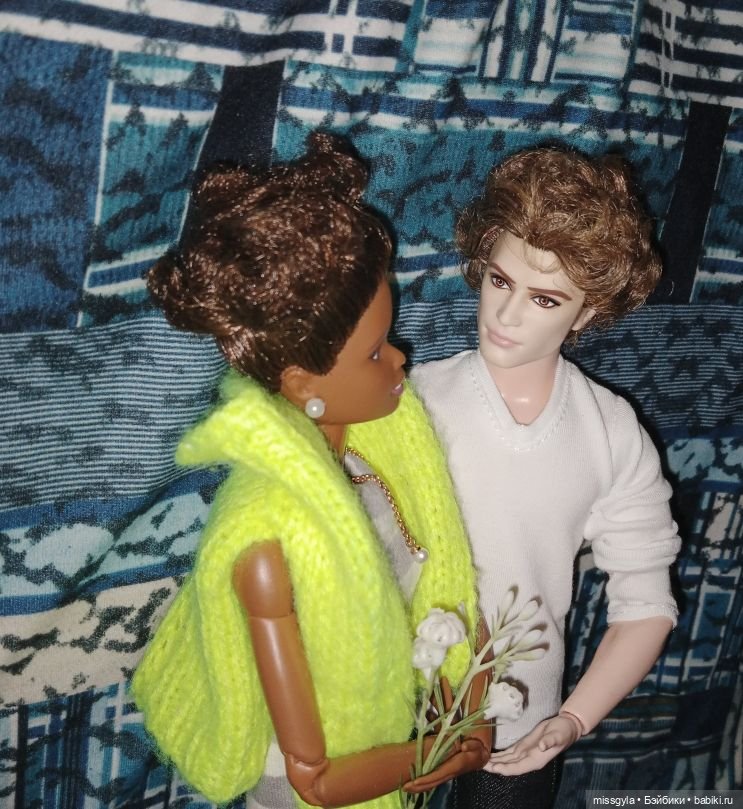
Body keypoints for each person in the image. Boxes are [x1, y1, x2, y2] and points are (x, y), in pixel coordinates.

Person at [130, 132, 491, 809]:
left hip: (392, 740)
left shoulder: (384, 452)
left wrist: (463, 692)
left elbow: (437, 577)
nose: (401, 360)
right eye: (375, 352)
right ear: (304, 385)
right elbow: (313, 778)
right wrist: (435, 755)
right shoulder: (267, 543)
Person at [410, 147, 681, 809]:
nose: (506, 316)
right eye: (499, 280)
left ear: (584, 312)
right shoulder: (411, 400)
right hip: (390, 696)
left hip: (518, 715)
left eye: (544, 298)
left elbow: (646, 603)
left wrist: (571, 719)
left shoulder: (608, 432)